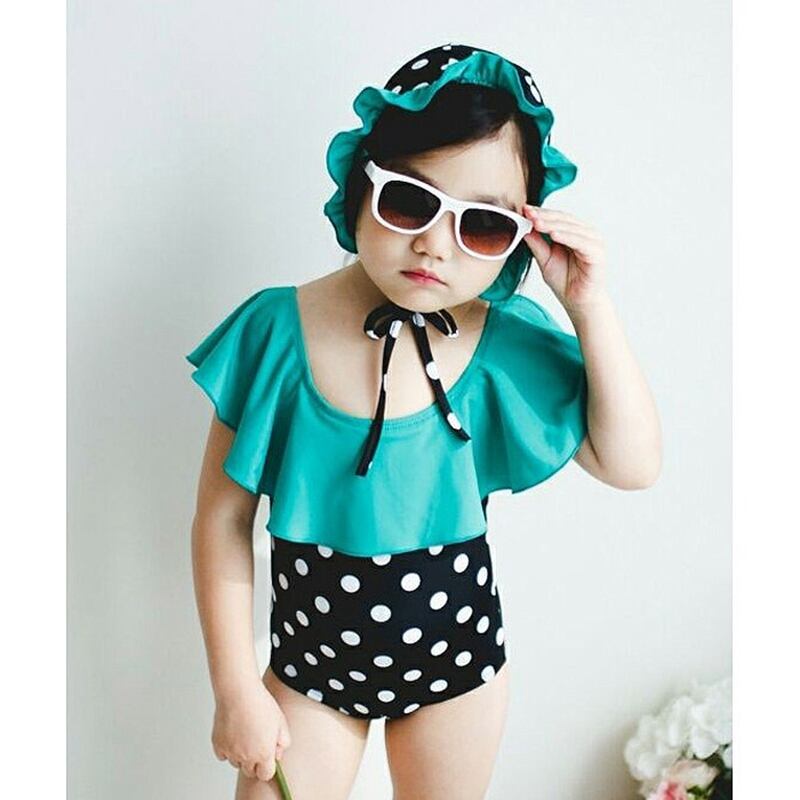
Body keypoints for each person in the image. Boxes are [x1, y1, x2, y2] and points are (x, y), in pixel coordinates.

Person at [186, 43, 661, 800]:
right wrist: (236, 688)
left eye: (483, 226)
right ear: (360, 185)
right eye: (410, 201)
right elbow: (222, 519)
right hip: (309, 671)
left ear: (520, 238)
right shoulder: (276, 331)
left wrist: (589, 306)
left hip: (457, 670)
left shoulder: (503, 343)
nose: (435, 244)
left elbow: (632, 465)